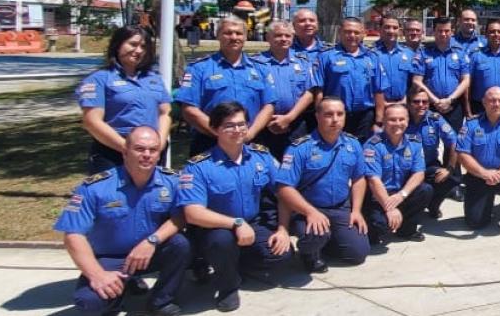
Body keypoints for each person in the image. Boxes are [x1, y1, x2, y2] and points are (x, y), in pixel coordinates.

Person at [54, 127, 189, 316]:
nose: (147, 155)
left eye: (153, 150)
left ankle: (160, 300)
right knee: (89, 302)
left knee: (180, 244)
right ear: (125, 152)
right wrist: (97, 275)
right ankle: (117, 296)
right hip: (110, 258)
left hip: (150, 253)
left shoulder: (172, 182)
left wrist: (152, 241)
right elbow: (73, 236)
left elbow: (180, 217)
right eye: (140, 149)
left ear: (159, 154)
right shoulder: (95, 187)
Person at [179, 102, 292, 313]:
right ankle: (228, 287)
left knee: (280, 255)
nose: (238, 130)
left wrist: (283, 229)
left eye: (242, 124)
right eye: (229, 126)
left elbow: (284, 193)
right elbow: (192, 213)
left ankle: (234, 264)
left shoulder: (261, 156)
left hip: (252, 223)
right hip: (213, 229)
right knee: (222, 242)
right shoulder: (199, 166)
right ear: (215, 129)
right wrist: (236, 223)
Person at [275, 98, 372, 273]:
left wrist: (356, 211)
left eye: (339, 114)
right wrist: (310, 212)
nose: (335, 119)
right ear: (318, 116)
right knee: (316, 234)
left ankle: (323, 244)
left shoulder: (353, 144)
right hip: (307, 210)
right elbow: (284, 188)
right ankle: (309, 254)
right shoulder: (299, 148)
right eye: (328, 114)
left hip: (340, 207)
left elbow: (359, 178)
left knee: (358, 254)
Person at [177, 16, 277, 157]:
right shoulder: (199, 68)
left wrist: (249, 134)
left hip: (250, 143)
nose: (234, 37)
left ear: (246, 37)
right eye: (228, 33)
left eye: (238, 33)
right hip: (210, 143)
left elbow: (269, 105)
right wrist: (222, 132)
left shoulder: (260, 69)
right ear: (218, 35)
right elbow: (189, 109)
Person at [77, 25, 172, 173]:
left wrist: (158, 145)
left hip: (150, 153)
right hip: (112, 151)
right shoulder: (99, 79)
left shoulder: (155, 79)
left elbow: (165, 113)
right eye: (133, 44)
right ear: (118, 45)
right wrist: (126, 148)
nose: (138, 50)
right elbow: (92, 121)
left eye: (143, 46)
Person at [455, 87, 500, 235]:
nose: (497, 104)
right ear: (483, 102)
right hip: (478, 176)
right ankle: (486, 203)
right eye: (492, 100)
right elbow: (462, 154)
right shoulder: (471, 124)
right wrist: (484, 173)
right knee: (475, 223)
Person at [362, 104, 433, 244]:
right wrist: (390, 208)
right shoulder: (372, 146)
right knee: (381, 227)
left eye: (402, 119)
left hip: (399, 194)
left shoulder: (415, 142)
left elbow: (419, 173)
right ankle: (379, 228)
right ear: (384, 121)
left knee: (426, 190)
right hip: (378, 197)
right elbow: (373, 180)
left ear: (407, 121)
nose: (398, 123)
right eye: (392, 119)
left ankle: (407, 229)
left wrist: (402, 195)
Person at [250, 20, 319, 157]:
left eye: (287, 36)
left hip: (296, 124)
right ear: (268, 38)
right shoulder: (254, 63)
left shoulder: (303, 62)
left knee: (295, 164)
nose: (283, 39)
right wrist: (267, 120)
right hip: (263, 126)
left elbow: (310, 93)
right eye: (278, 35)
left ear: (293, 38)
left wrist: (288, 118)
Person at [316, 17, 386, 141]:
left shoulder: (372, 57)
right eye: (347, 31)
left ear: (363, 33)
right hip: (336, 115)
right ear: (340, 32)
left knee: (364, 152)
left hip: (365, 116)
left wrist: (379, 120)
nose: (352, 35)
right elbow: (319, 90)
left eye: (356, 32)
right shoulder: (326, 56)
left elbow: (379, 90)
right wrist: (319, 117)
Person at [404, 87, 461, 220]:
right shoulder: (401, 119)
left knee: (452, 178)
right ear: (408, 103)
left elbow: (454, 142)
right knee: (422, 189)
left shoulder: (435, 119)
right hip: (405, 169)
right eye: (416, 102)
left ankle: (433, 205)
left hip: (428, 166)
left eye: (425, 102)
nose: (421, 105)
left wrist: (449, 168)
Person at [412, 16, 471, 132]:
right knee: (429, 143)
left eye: (447, 31)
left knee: (453, 144)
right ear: (434, 31)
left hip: (453, 106)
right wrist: (435, 101)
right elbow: (416, 81)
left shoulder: (460, 53)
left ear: (452, 32)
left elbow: (466, 80)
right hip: (430, 106)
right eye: (440, 31)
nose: (443, 34)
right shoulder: (424, 52)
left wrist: (449, 100)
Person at [468, 20, 500, 116]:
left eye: (499, 32)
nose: (496, 34)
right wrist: (468, 111)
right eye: (492, 32)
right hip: (480, 108)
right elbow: (468, 85)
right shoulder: (476, 56)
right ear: (486, 35)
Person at [373, 16, 416, 107]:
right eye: (387, 27)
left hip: (403, 105)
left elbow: (414, 81)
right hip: (376, 106)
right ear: (379, 29)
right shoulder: (370, 54)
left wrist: (407, 97)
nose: (391, 31)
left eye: (395, 28)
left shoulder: (409, 53)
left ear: (399, 31)